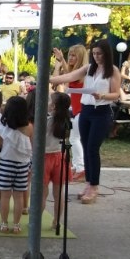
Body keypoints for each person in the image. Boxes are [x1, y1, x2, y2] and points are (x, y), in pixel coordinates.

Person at [49, 38, 121, 205]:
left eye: (99, 54)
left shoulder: (113, 70)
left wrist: (102, 95)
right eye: (94, 53)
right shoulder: (89, 68)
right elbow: (69, 75)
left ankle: (94, 186)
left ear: (106, 54)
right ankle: (89, 182)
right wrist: (50, 79)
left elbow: (116, 94)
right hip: (85, 110)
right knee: (86, 146)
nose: (96, 57)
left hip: (101, 111)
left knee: (92, 148)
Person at [0, 96, 32, 234]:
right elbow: (33, 146)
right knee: (19, 196)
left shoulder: (4, 127)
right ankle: (16, 225)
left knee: (5, 196)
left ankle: (4, 224)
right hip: (23, 165)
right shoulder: (29, 127)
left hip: (6, 164)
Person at [52, 45, 88, 182]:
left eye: (74, 55)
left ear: (80, 57)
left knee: (74, 139)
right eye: (70, 55)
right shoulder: (78, 72)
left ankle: (80, 168)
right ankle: (79, 166)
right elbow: (69, 75)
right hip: (78, 110)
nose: (71, 58)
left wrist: (61, 62)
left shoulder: (82, 73)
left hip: (81, 110)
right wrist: (62, 60)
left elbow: (67, 77)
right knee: (74, 139)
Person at [43, 92, 72, 230]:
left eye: (49, 101)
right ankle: (56, 221)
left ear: (53, 106)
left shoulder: (47, 121)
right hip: (60, 157)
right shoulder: (67, 122)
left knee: (42, 193)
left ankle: (36, 221)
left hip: (45, 157)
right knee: (59, 193)